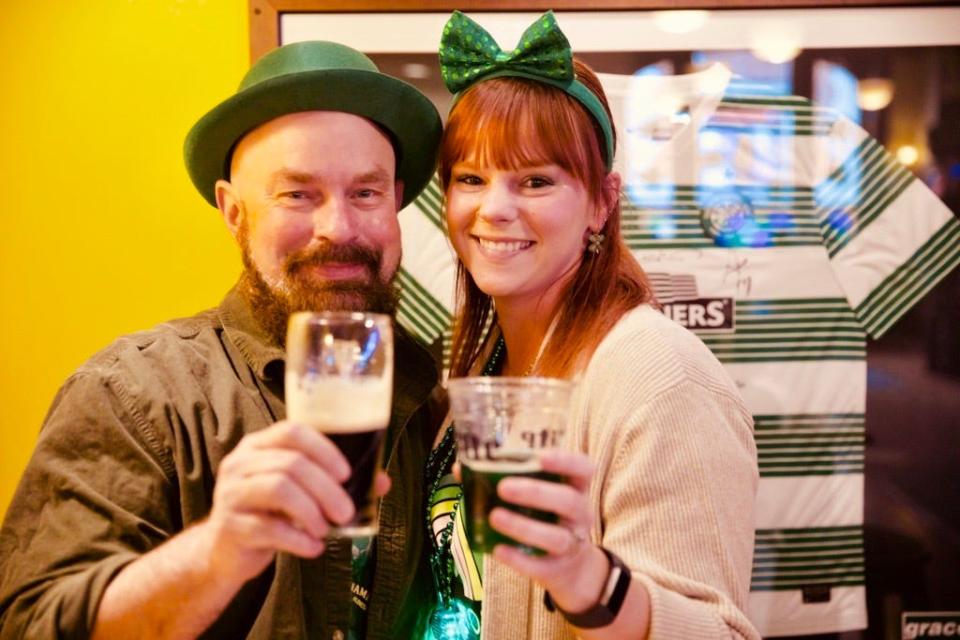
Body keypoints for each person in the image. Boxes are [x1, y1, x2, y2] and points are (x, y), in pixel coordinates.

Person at [0, 41, 443, 639]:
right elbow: (31, 627)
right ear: (233, 212)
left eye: (366, 192)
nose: (338, 227)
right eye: (297, 194)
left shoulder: (432, 399)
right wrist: (220, 549)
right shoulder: (133, 395)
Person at [419, 11, 760, 639]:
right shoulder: (481, 359)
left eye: (536, 181)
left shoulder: (662, 379)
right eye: (471, 178)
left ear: (602, 201)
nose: (494, 208)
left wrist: (589, 581)